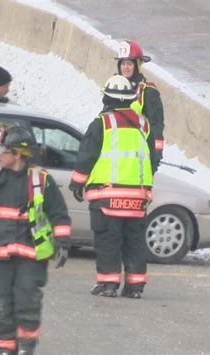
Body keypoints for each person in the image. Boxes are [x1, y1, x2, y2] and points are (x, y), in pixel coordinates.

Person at [0, 125, 71, 355]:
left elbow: (59, 214)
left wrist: (62, 244)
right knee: (1, 302)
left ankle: (26, 347)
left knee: (27, 301)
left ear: (19, 153)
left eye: (3, 150)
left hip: (31, 255)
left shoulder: (41, 180)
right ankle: (4, 348)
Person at [69, 75, 153, 299]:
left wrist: (77, 183)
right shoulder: (143, 124)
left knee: (108, 241)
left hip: (107, 196)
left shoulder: (103, 123)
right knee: (134, 242)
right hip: (137, 197)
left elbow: (87, 155)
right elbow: (151, 158)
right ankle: (135, 287)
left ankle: (108, 284)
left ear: (107, 98)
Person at [115, 40, 165, 174]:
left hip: (139, 157)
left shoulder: (147, 92)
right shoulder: (113, 89)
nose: (125, 67)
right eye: (123, 63)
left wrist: (156, 154)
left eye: (129, 63)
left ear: (137, 66)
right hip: (115, 156)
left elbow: (156, 125)